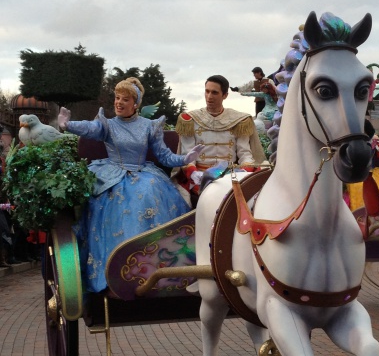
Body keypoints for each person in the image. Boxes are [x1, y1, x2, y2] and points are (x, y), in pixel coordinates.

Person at [57, 77, 204, 292]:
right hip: (112, 175)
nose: (119, 102)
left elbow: (163, 155)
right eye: (117, 98)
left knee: (148, 191)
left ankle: (159, 269)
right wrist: (67, 125)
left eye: (125, 99)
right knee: (117, 201)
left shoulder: (148, 126)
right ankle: (119, 271)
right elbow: (90, 128)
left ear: (135, 104)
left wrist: (184, 159)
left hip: (144, 173)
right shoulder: (107, 125)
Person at [173, 74, 266, 198]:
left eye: (215, 93)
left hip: (230, 175)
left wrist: (245, 171)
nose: (209, 97)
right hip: (199, 177)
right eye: (207, 91)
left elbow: (245, 154)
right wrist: (194, 174)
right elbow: (187, 155)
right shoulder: (190, 119)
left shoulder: (239, 120)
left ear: (225, 95)